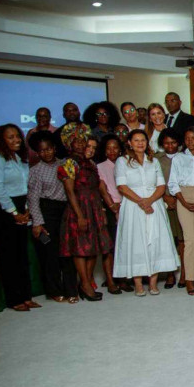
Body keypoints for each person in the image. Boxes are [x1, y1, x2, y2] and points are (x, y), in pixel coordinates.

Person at [112, 129, 180, 296]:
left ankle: (153, 283)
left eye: (143, 140)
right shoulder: (122, 161)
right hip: (133, 207)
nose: (140, 143)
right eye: (136, 140)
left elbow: (161, 186)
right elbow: (122, 186)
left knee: (155, 241)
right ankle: (138, 284)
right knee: (135, 243)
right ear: (129, 142)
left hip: (154, 204)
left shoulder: (153, 161)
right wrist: (142, 202)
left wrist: (149, 201)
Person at [57, 123, 112, 301]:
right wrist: (80, 215)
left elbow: (98, 189)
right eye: (77, 142)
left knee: (93, 248)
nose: (81, 145)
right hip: (79, 209)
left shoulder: (90, 163)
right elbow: (70, 191)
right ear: (70, 144)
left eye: (83, 142)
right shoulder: (69, 163)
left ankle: (86, 282)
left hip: (94, 207)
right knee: (80, 249)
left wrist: (102, 211)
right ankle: (86, 285)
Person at [0, 124, 35, 311]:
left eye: (18, 136)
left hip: (21, 205)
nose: (16, 140)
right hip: (2, 208)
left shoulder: (19, 159)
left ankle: (26, 296)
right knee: (9, 256)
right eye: (10, 137)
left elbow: (26, 186)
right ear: (1, 139)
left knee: (22, 254)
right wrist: (14, 213)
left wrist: (27, 209)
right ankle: (14, 299)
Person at [27, 131, 76, 303]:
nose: (46, 153)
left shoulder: (66, 163)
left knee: (68, 251)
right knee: (51, 254)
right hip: (47, 211)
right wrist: (38, 223)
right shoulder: (35, 170)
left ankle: (72, 289)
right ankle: (54, 290)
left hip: (66, 209)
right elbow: (33, 198)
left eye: (48, 149)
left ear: (54, 148)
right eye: (41, 151)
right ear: (37, 153)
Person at [168, 126, 194, 295]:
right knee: (189, 240)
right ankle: (190, 279)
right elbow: (173, 183)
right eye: (187, 138)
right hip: (183, 197)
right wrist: (183, 202)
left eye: (193, 138)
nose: (190, 141)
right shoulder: (178, 158)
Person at [96, 133, 130, 294]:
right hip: (110, 208)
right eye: (108, 148)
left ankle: (123, 279)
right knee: (110, 247)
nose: (112, 151)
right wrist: (112, 205)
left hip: (128, 206)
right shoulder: (100, 166)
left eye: (115, 147)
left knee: (124, 245)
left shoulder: (126, 164)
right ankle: (110, 281)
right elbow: (102, 188)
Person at [155, 128, 185, 289]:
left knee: (182, 239)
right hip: (163, 201)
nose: (170, 145)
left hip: (182, 200)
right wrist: (165, 196)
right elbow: (153, 181)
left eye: (173, 142)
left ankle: (185, 274)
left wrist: (178, 197)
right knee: (168, 239)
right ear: (162, 144)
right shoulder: (156, 159)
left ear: (179, 143)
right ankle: (170, 274)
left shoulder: (184, 157)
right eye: (166, 142)